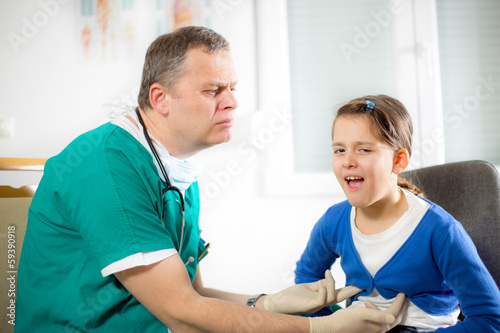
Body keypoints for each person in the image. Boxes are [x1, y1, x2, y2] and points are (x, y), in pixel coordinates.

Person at [15, 27, 404, 332]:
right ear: (161, 98)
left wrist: (266, 302)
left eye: (233, 87)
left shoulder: (176, 167)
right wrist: (319, 329)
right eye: (213, 90)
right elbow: (185, 315)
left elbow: (193, 293)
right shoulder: (105, 167)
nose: (232, 101)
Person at [294, 94, 500, 332]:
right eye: (339, 150)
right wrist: (330, 324)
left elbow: (489, 319)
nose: (348, 161)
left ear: (398, 161)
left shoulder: (440, 230)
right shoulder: (334, 221)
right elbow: (307, 276)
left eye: (363, 149)